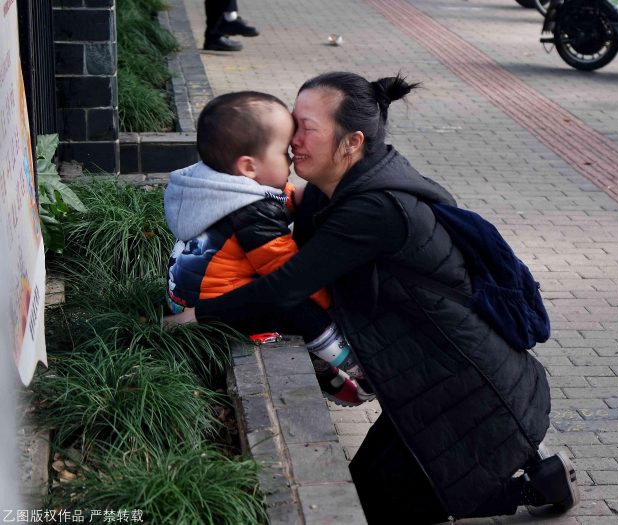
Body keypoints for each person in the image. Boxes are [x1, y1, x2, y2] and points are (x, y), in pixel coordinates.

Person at [166, 72, 580, 523]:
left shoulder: (374, 210)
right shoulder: (344, 187)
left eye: (305, 127)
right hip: (428, 378)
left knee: (376, 507)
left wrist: (199, 314)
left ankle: (532, 487)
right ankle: (532, 479)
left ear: (351, 142)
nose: (291, 141)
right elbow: (259, 211)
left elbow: (285, 288)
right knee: (371, 494)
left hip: (469, 386)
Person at [164, 91, 373, 406]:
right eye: (283, 152)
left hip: (183, 298)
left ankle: (324, 371)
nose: (291, 157)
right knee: (294, 304)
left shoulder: (217, 186)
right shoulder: (251, 213)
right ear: (248, 166)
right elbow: (288, 274)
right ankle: (351, 363)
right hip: (218, 307)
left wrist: (310, 196)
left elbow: (277, 197)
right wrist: (330, 306)